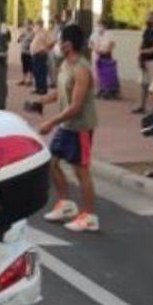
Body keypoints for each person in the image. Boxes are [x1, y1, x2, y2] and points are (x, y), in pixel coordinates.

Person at [28, 24, 100, 233]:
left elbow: (76, 106)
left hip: (80, 127)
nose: (58, 44)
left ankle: (90, 217)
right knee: (51, 162)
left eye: (61, 40)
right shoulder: (65, 65)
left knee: (81, 171)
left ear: (70, 43)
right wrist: (40, 100)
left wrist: (50, 123)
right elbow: (60, 93)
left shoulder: (81, 69)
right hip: (66, 125)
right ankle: (66, 204)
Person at [91, 18, 119, 99]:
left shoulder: (109, 34)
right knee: (97, 73)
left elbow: (112, 44)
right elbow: (91, 43)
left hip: (106, 55)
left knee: (106, 73)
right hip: (97, 55)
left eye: (101, 25)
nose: (99, 27)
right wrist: (96, 50)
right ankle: (99, 89)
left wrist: (106, 51)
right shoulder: (95, 34)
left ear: (105, 25)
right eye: (98, 25)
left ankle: (108, 90)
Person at [29, 17, 55, 95]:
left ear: (41, 24)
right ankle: (38, 87)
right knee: (36, 71)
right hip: (35, 54)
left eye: (37, 23)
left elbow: (51, 43)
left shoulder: (44, 32)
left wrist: (45, 50)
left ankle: (43, 88)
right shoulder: (37, 32)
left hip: (41, 54)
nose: (36, 25)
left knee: (41, 72)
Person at [17, 20, 34, 87]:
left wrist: (29, 43)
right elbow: (19, 40)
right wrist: (20, 38)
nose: (27, 26)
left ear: (31, 25)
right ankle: (23, 79)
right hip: (23, 51)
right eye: (26, 24)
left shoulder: (33, 32)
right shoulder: (24, 32)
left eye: (28, 24)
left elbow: (33, 41)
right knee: (24, 65)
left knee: (30, 66)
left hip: (30, 52)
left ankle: (30, 80)